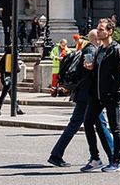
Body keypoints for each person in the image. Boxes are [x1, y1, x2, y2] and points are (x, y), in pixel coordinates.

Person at [47, 32, 111, 168]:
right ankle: (112, 153)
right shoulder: (91, 50)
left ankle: (57, 154)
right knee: (91, 124)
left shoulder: (87, 49)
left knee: (98, 123)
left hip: (85, 94)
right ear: (97, 39)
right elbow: (90, 71)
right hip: (88, 95)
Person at [83, 18, 120, 173]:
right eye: (98, 28)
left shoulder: (116, 49)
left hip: (111, 94)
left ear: (110, 31)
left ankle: (116, 161)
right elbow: (99, 70)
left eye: (101, 29)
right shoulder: (100, 50)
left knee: (115, 128)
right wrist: (91, 67)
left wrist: (117, 92)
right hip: (97, 94)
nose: (98, 30)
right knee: (88, 122)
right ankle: (95, 158)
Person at [0, 49, 24, 117]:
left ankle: (17, 109)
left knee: (11, 95)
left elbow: (0, 69)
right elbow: (17, 69)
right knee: (4, 95)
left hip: (4, 78)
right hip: (10, 78)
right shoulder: (12, 57)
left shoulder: (4, 57)